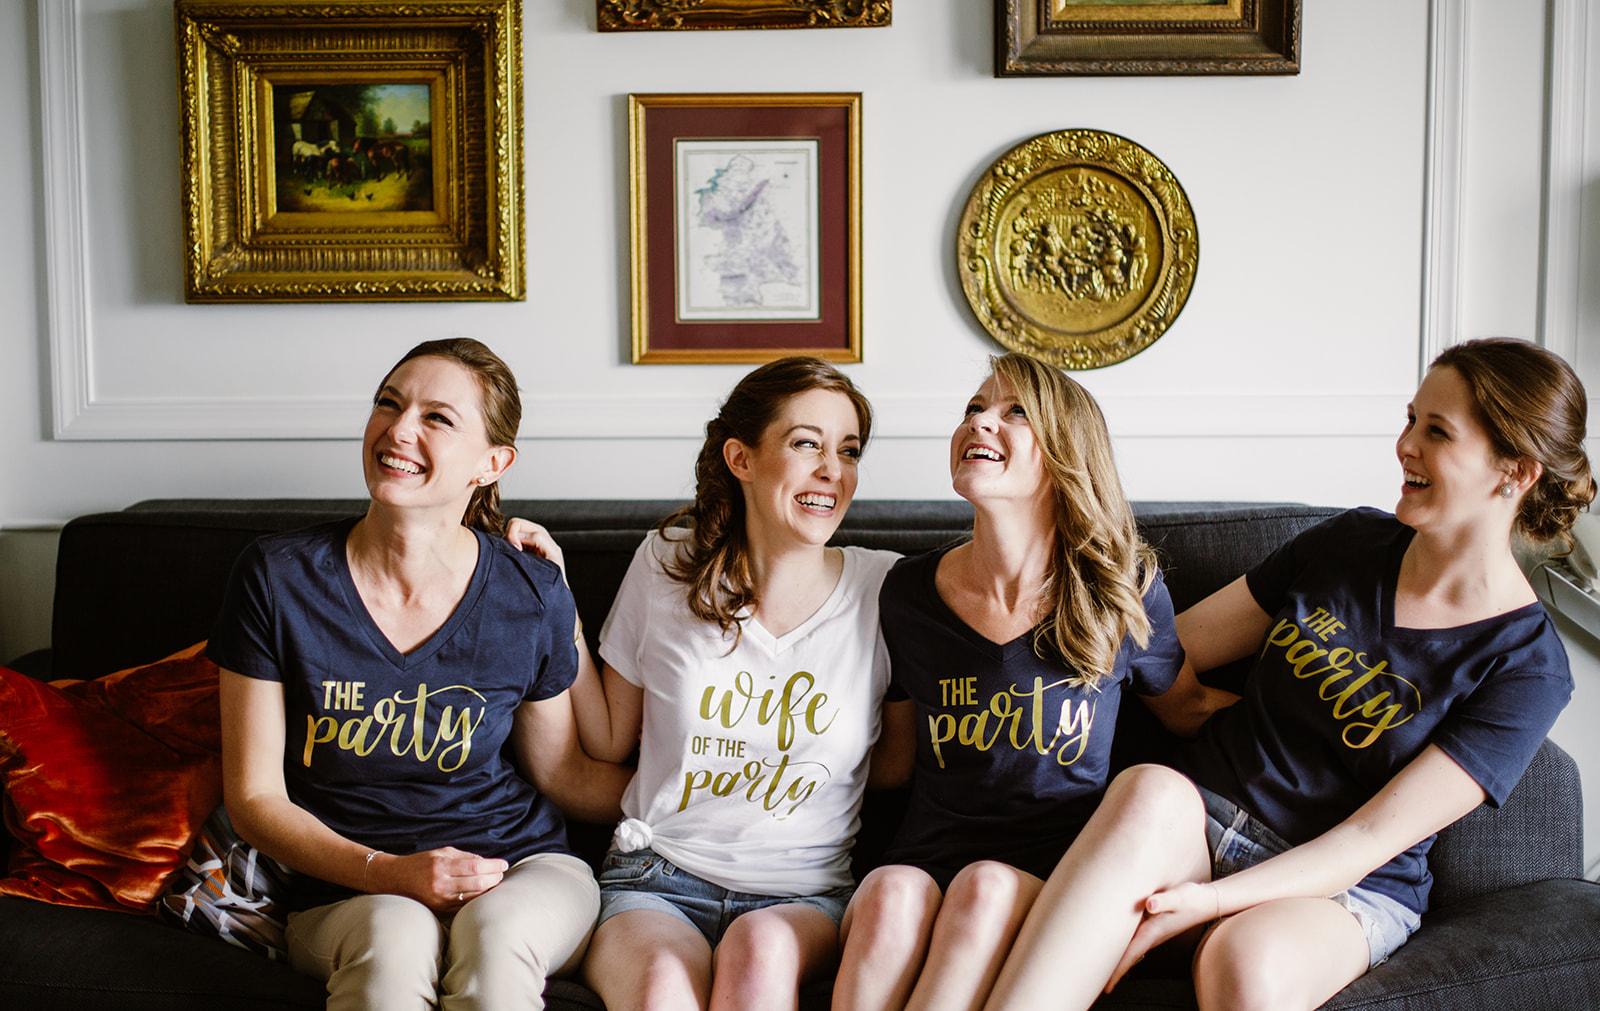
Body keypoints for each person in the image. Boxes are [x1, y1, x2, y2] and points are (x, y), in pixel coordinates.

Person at [982, 337, 1595, 1011]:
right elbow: (1164, 648)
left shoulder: (1527, 666)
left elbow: (1369, 839)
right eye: (1410, 419)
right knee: (1148, 788)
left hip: (1338, 887)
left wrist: (1208, 902)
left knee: (1248, 960)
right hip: (1199, 818)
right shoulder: (1349, 542)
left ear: (1516, 471)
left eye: (1437, 431)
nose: (1405, 445)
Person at [209, 338, 630, 1011]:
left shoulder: (528, 591)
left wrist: (705, 795)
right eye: (389, 403)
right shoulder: (277, 577)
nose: (398, 428)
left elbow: (565, 774)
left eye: (437, 417)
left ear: (492, 463)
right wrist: (393, 873)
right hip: (351, 888)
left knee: (496, 935)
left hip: (521, 871)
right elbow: (256, 798)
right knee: (395, 932)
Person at [830, 353, 1229, 1011]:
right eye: (974, 407)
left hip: (1055, 878)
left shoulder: (1118, 590)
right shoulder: (905, 594)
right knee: (888, 890)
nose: (982, 421)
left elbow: (1188, 707)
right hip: (928, 858)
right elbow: (895, 763)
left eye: (1015, 411)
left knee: (984, 886)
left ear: (1063, 455)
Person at [511, 356, 898, 1011]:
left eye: (849, 449)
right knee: (662, 987)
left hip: (803, 892)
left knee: (762, 951)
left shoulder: (886, 588)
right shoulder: (665, 564)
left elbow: (894, 765)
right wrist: (558, 602)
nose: (833, 470)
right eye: (807, 443)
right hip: (655, 878)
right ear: (741, 458)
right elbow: (605, 740)